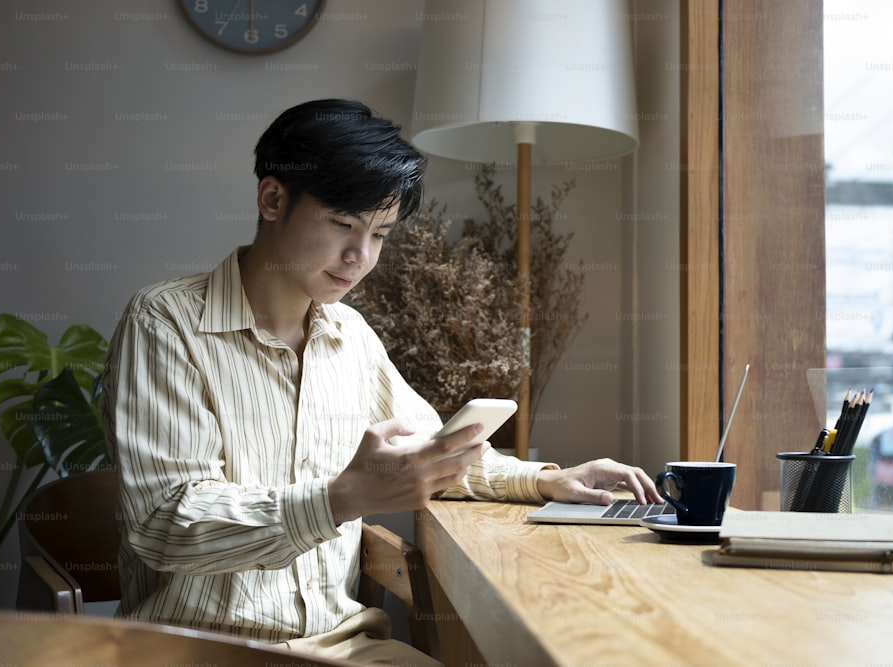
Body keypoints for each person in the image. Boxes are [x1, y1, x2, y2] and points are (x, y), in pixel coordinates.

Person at [100, 98, 660, 666]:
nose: (359, 257)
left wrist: (548, 481)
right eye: (343, 224)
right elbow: (165, 523)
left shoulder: (350, 335)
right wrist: (340, 499)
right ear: (273, 198)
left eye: (380, 235)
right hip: (195, 651)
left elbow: (433, 451)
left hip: (346, 648)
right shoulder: (166, 323)